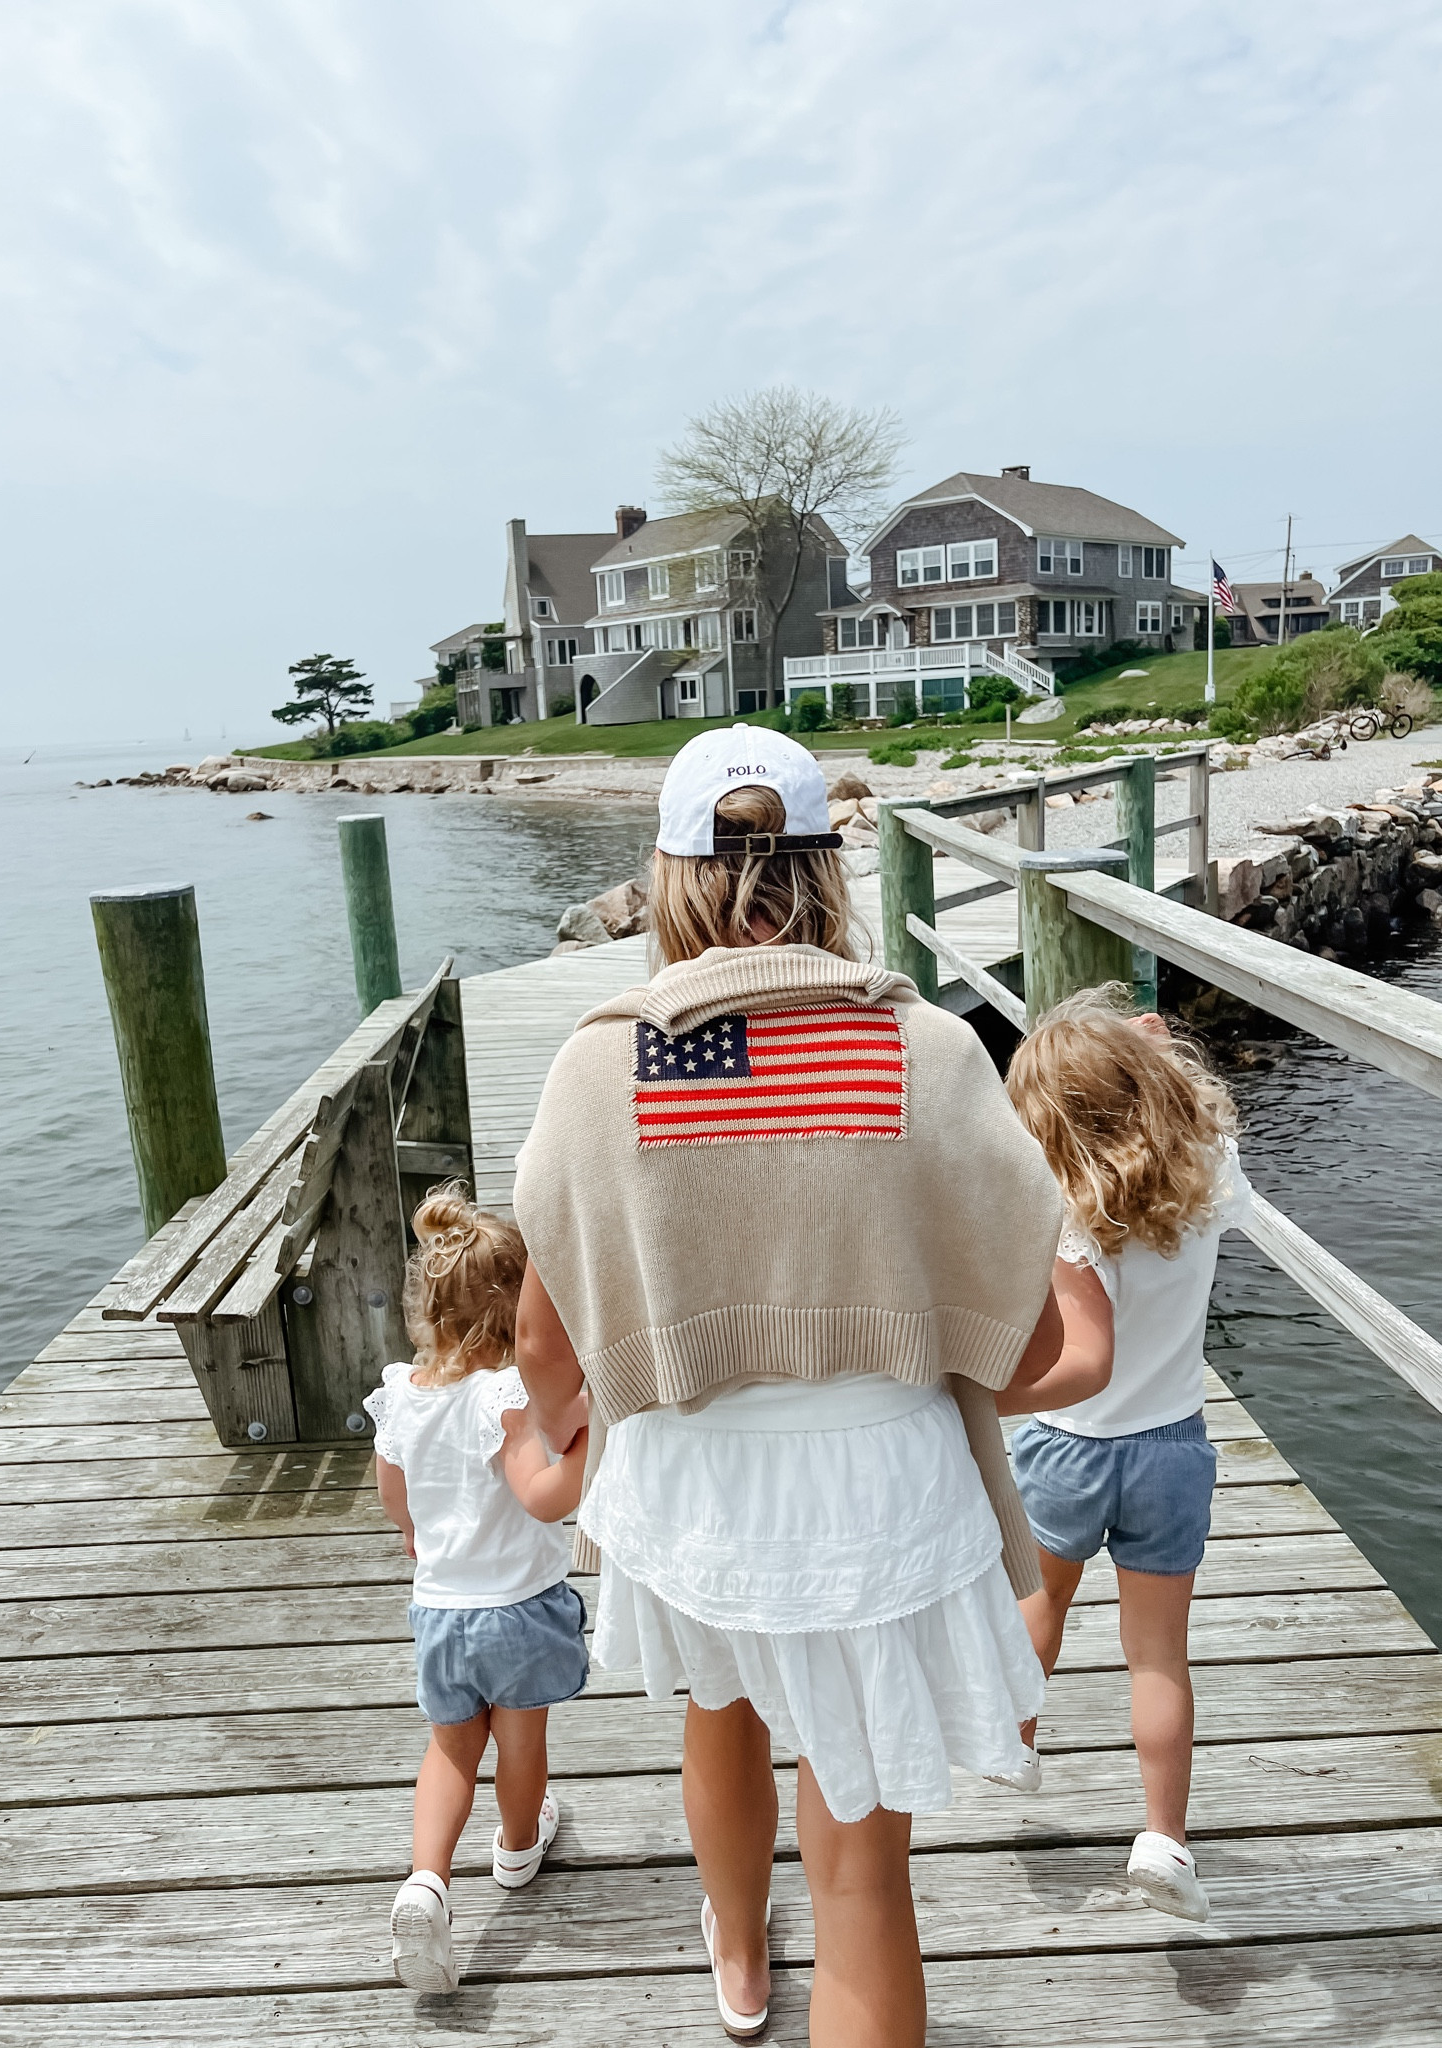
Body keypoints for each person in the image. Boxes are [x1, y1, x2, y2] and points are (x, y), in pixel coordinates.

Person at [510, 724, 1101, 2047]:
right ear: (828, 870)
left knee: (718, 1711)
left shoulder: (603, 1065)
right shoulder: (928, 1051)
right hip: (880, 1492)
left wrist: (578, 1420)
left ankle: (730, 1952)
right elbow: (1042, 1330)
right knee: (860, 1878)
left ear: (665, 878)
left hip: (691, 1486)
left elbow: (550, 1349)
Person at [1000, 989, 1251, 1923]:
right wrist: (1146, 1051)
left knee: (1040, 1608)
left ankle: (1015, 1743)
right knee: (1158, 1660)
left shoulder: (1075, 1214)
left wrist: (990, 1401)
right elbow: (1178, 1091)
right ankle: (1164, 1841)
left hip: (1070, 1451)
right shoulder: (1214, 1171)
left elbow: (1085, 1363)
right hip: (1174, 1450)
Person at [365, 1186, 590, 1994]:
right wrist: (597, 1440)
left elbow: (397, 1501)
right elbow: (543, 1496)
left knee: (451, 1750)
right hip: (520, 1609)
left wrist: (417, 1538)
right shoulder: (504, 1399)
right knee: (519, 1743)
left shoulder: (403, 1396)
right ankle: (519, 1845)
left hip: (441, 1613)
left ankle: (426, 1880)